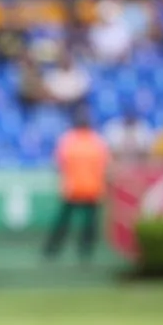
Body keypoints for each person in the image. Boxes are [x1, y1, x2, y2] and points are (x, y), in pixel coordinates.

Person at [43, 108, 110, 263]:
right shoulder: (97, 141)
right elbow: (105, 166)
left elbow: (58, 165)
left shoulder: (68, 140)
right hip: (92, 189)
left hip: (73, 189)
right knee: (89, 224)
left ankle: (52, 249)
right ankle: (85, 252)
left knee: (63, 222)